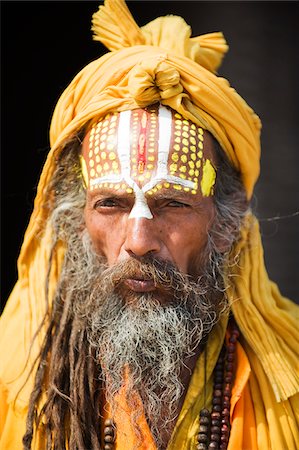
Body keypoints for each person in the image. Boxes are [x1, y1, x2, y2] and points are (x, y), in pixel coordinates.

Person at [0, 1, 298, 449]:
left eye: (174, 204)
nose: (138, 242)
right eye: (111, 204)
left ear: (226, 222)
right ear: (76, 221)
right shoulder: (14, 379)